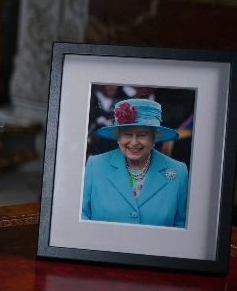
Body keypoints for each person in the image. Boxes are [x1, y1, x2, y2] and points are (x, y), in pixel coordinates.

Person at [81, 98, 189, 228]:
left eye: (142, 135)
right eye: (127, 134)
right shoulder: (95, 165)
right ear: (118, 136)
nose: (133, 142)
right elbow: (82, 215)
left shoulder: (179, 171)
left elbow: (182, 226)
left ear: (154, 137)